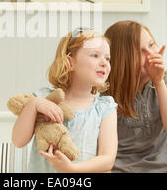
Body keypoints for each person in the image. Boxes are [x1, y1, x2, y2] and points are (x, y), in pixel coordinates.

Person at [12, 27, 118, 173]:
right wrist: (33, 105)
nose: (104, 62)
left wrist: (72, 169)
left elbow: (107, 160)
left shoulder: (104, 108)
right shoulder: (43, 99)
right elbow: (18, 141)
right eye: (95, 55)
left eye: (107, 58)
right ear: (70, 62)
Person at [104, 21, 167, 173]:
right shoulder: (105, 90)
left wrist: (158, 82)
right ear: (123, 59)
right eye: (140, 51)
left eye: (152, 45)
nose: (151, 54)